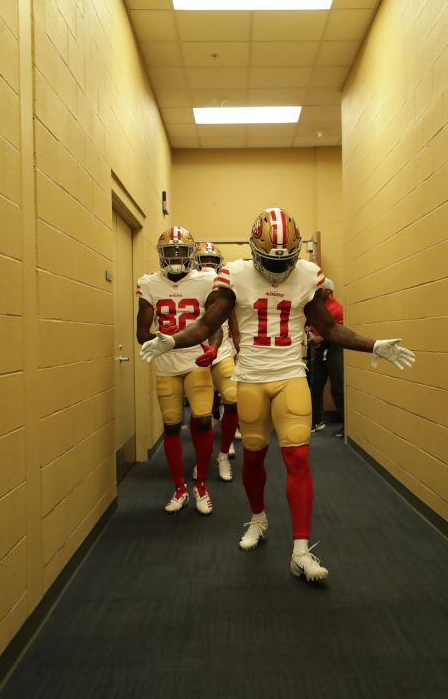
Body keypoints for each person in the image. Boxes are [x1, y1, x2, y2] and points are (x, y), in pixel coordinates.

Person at [141, 208, 416, 582]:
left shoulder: (306, 275)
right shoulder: (235, 275)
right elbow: (208, 324)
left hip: (290, 375)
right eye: (271, 259)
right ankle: (257, 519)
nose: (278, 266)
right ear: (254, 251)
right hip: (251, 378)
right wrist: (171, 340)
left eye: (285, 259)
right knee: (253, 461)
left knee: (299, 459)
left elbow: (330, 329)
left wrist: (375, 345)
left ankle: (300, 550)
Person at [136, 227, 221, 515]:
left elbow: (214, 325)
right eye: (169, 252)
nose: (174, 256)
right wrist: (160, 339)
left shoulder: (206, 279)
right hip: (166, 364)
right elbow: (140, 333)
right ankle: (179, 487)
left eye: (180, 251)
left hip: (195, 361)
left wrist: (213, 348)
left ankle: (201, 485)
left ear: (190, 254)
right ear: (160, 255)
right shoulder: (149, 283)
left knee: (203, 421)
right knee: (171, 424)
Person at [194, 242, 240, 482]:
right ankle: (202, 457)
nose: (209, 265)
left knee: (232, 399)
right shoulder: (190, 285)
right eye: (205, 260)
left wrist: (238, 349)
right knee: (201, 412)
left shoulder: (223, 286)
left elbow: (232, 322)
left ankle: (223, 452)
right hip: (196, 353)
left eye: (213, 261)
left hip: (221, 351)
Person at [308, 278, 346, 434]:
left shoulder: (337, 308)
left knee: (337, 389)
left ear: (328, 292)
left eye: (320, 290)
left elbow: (336, 331)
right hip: (320, 350)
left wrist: (319, 338)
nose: (317, 292)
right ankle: (317, 421)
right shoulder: (320, 306)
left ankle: (346, 426)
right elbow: (314, 324)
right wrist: (309, 330)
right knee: (315, 387)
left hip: (333, 349)